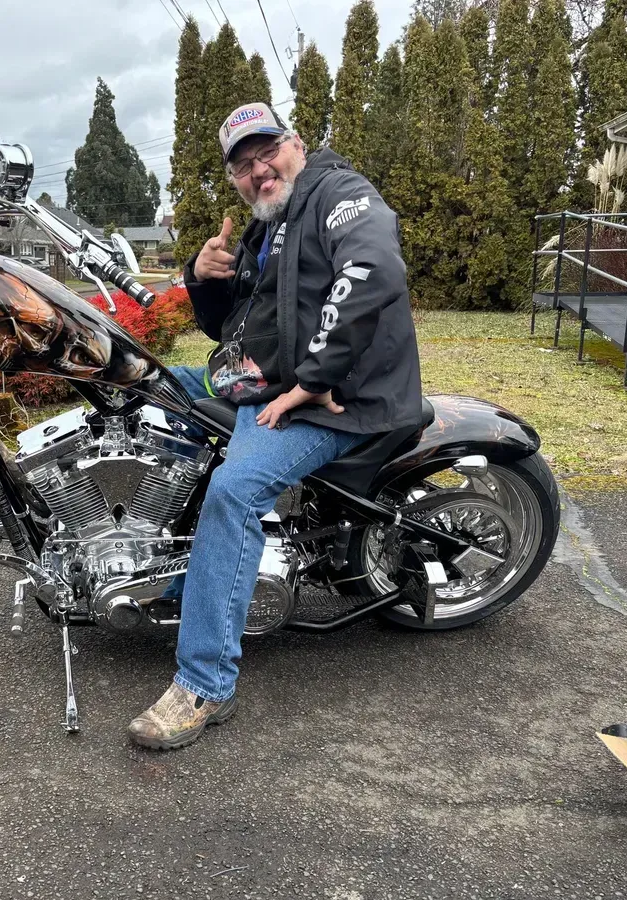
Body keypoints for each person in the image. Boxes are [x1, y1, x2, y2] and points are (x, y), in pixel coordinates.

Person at [128, 102, 424, 750]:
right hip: (262, 384)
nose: (258, 170)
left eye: (267, 153)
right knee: (143, 395)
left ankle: (205, 683)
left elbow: (373, 270)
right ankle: (173, 578)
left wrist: (313, 380)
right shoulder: (269, 229)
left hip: (338, 398)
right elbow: (231, 327)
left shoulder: (337, 193)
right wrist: (200, 281)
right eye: (242, 164)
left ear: (295, 143)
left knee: (235, 492)